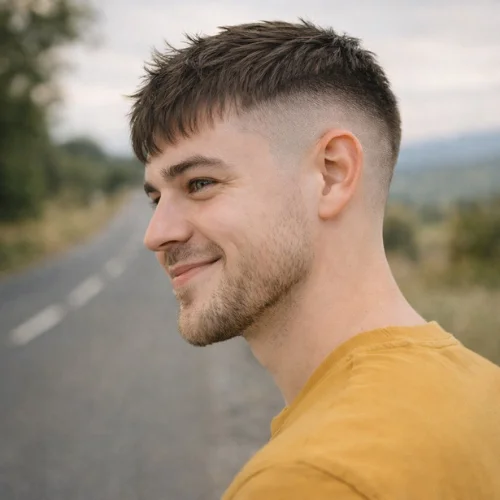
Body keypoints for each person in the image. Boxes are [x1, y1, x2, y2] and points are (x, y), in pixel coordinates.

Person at [129, 19, 500, 500]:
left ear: (331, 175)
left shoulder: (312, 478)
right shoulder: (485, 390)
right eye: (156, 198)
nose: (156, 235)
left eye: (199, 183)